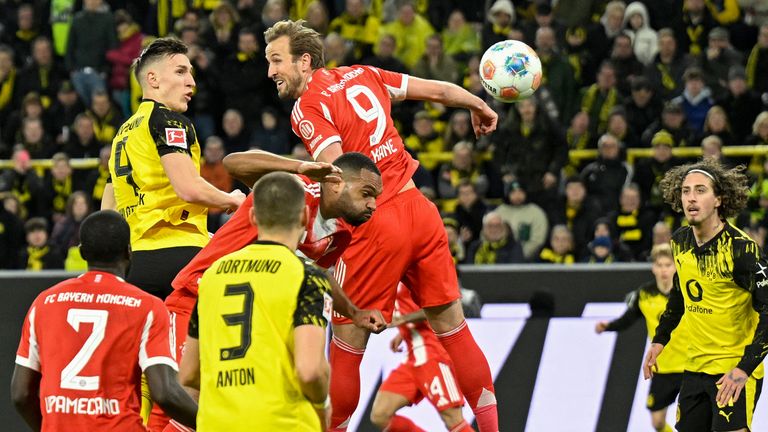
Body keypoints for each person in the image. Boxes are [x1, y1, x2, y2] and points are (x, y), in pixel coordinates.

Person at [264, 19, 498, 432]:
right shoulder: (365, 73)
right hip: (419, 209)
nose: (271, 72)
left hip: (374, 221)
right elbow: (440, 90)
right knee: (454, 331)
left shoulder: (308, 106)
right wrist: (476, 104)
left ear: (304, 61)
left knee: (347, 347)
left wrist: (312, 230)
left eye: (276, 60)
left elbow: (339, 175)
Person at [153, 150, 387, 431]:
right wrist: (301, 166)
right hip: (198, 294)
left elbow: (320, 274)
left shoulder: (340, 234)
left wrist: (353, 312)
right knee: (180, 400)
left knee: (206, 402)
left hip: (242, 310)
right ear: (336, 182)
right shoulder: (292, 192)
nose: (373, 204)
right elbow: (232, 163)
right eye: (366, 193)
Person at [11, 210, 197, 431]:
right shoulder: (146, 306)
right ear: (129, 252)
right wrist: (212, 423)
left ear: (82, 252)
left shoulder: (45, 302)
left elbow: (21, 394)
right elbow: (165, 393)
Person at [181, 172, 333, 430]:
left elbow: (189, 373)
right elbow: (310, 371)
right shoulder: (308, 278)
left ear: (252, 217)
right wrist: (323, 405)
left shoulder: (213, 276)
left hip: (217, 423)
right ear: (305, 217)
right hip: (282, 422)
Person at [103, 37, 244, 300]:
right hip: (180, 254)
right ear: (153, 79)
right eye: (180, 71)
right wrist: (233, 199)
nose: (191, 81)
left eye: (190, 72)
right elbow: (188, 188)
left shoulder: (123, 133)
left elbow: (108, 210)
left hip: (133, 263)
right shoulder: (169, 120)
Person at [643, 159, 768, 432]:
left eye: (700, 190)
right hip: (695, 368)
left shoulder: (741, 251)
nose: (691, 198)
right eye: (686, 191)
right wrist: (660, 339)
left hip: (732, 371)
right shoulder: (680, 241)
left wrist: (744, 369)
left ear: (719, 199)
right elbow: (680, 294)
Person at [596, 244, 685, 432]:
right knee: (657, 423)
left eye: (668, 265)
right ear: (653, 268)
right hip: (662, 369)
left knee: (690, 420)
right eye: (659, 265)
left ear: (675, 267)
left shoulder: (686, 293)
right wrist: (608, 326)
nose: (663, 270)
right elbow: (629, 319)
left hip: (689, 367)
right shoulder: (645, 294)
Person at [371, 284, 473, 432]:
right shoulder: (392, 271)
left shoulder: (414, 268)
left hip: (433, 353)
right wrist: (404, 332)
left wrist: (403, 320)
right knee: (380, 415)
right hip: (412, 357)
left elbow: (441, 306)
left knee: (453, 421)